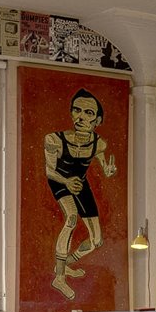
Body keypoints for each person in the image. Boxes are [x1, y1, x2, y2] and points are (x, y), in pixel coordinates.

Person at [43, 88, 117, 300]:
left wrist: (109, 171)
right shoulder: (54, 140)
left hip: (80, 183)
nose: (80, 117)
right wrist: (66, 181)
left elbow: (104, 166)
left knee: (96, 240)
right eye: (76, 110)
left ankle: (66, 263)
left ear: (97, 120)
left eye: (88, 113)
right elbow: (49, 170)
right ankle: (59, 277)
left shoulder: (98, 143)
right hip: (60, 180)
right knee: (72, 218)